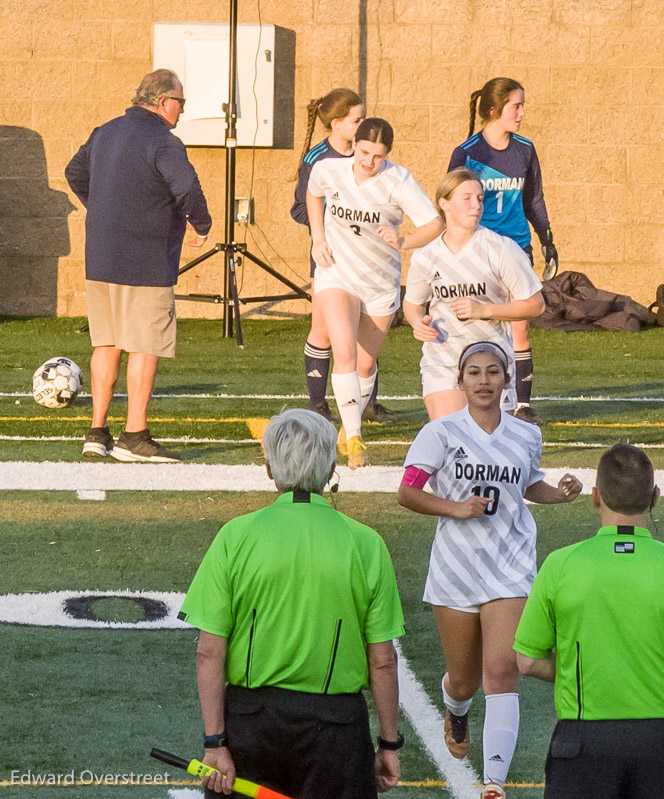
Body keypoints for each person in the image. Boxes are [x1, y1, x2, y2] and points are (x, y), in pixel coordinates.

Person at [178, 408, 406, 799]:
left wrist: (215, 742)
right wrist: (388, 744)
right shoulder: (366, 543)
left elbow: (208, 653)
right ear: (331, 467)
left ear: (269, 467)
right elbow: (382, 659)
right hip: (336, 729)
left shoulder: (235, 537)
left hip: (251, 724)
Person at [396, 342, 582, 799]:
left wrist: (558, 494)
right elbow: (407, 492)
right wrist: (455, 509)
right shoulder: (438, 433)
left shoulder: (526, 434)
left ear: (506, 379)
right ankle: (455, 707)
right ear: (460, 381)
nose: (483, 381)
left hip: (510, 564)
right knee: (465, 679)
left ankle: (493, 781)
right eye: (474, 373)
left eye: (493, 372)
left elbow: (527, 484)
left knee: (502, 669)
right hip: (456, 569)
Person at [513, 443, 664, 799]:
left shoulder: (561, 564)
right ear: (655, 497)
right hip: (659, 743)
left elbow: (528, 661)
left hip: (581, 744)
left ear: (595, 497)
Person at [65, 69, 211, 463]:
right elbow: (185, 188)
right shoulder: (164, 140)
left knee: (107, 342)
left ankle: (96, 432)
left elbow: (74, 172)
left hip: (101, 255)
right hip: (146, 257)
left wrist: (103, 207)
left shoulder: (105, 131)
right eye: (181, 102)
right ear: (164, 102)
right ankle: (134, 436)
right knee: (145, 345)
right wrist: (202, 222)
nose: (182, 110)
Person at [306, 118, 442, 468]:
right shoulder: (328, 169)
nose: (369, 161)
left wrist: (403, 241)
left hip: (380, 282)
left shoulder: (398, 181)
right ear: (353, 145)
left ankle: (349, 425)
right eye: (364, 152)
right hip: (336, 274)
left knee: (366, 365)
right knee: (345, 352)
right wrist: (318, 238)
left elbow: (434, 223)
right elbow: (313, 192)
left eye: (378, 156)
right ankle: (354, 438)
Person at [449, 77, 557, 425]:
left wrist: (547, 239)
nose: (522, 113)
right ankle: (473, 398)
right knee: (478, 326)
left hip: (516, 247)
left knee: (519, 325)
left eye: (522, 105)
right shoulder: (468, 153)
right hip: (477, 249)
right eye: (516, 106)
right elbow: (451, 202)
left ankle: (521, 405)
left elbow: (533, 200)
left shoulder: (525, 149)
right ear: (494, 110)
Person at [403, 168, 545, 421]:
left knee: (488, 449)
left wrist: (484, 310)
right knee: (450, 437)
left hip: (490, 363)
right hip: (443, 359)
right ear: (444, 203)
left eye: (479, 199)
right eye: (466, 198)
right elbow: (413, 304)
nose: (476, 205)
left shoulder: (502, 249)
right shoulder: (425, 256)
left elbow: (535, 305)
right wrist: (417, 323)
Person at [290, 88, 392, 425]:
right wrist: (331, 228)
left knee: (368, 332)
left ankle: (368, 403)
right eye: (356, 119)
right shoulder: (318, 159)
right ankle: (318, 404)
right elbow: (301, 206)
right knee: (324, 330)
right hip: (330, 258)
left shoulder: (364, 157)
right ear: (336, 123)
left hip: (369, 262)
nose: (362, 124)